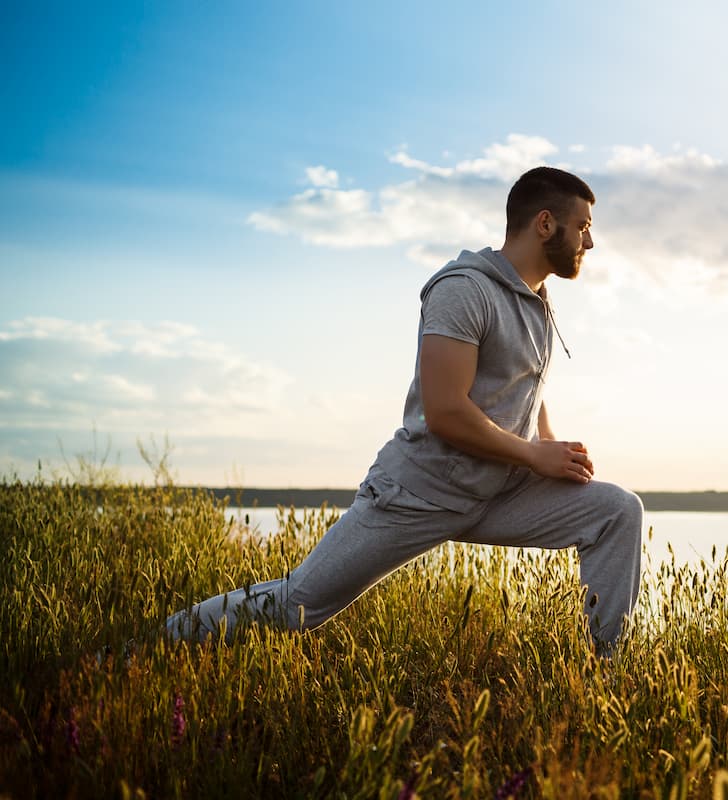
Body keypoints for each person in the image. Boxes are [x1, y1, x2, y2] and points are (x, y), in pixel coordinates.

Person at [165, 167, 643, 655]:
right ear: (545, 224)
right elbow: (445, 412)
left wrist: (546, 448)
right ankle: (154, 643)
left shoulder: (538, 303)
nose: (590, 241)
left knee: (616, 510)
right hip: (419, 492)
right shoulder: (463, 290)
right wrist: (532, 455)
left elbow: (526, 385)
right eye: (583, 226)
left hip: (500, 490)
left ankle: (604, 671)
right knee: (298, 607)